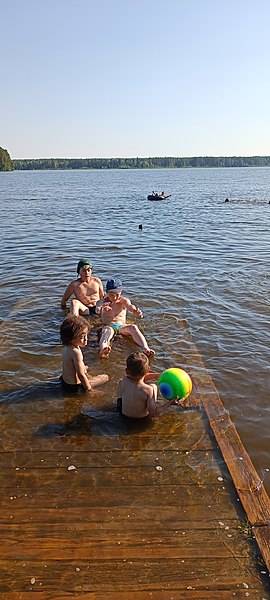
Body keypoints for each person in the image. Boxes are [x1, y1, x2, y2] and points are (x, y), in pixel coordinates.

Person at [96, 278, 155, 358]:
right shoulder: (102, 302)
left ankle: (145, 348)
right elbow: (97, 310)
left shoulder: (124, 301)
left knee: (133, 327)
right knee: (106, 332)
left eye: (117, 295)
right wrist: (102, 308)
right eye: (112, 295)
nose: (115, 298)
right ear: (107, 293)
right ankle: (104, 348)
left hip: (121, 326)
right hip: (109, 326)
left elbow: (130, 307)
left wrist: (135, 311)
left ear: (121, 292)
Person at [117, 352, 177, 418]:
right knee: (153, 386)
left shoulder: (122, 381)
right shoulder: (148, 390)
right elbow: (153, 413)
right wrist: (170, 403)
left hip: (123, 416)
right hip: (141, 420)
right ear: (148, 369)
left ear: (126, 371)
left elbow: (137, 377)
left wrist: (157, 376)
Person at [60, 315, 109, 392]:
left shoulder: (68, 346)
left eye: (86, 335)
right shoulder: (76, 352)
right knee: (105, 377)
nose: (86, 339)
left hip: (64, 381)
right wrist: (90, 390)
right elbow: (81, 375)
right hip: (75, 386)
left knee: (85, 367)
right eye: (82, 337)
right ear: (71, 338)